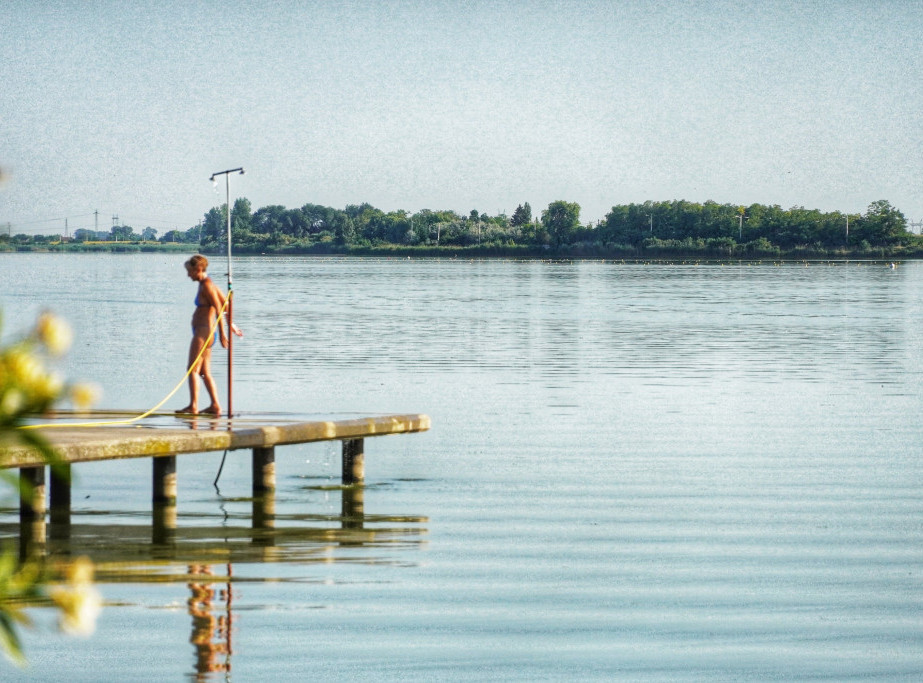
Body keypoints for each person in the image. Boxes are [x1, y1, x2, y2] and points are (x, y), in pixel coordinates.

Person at [177, 255, 242, 415]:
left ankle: (193, 406)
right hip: (205, 332)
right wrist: (231, 324)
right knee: (204, 372)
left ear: (198, 269)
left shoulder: (207, 285)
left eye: (190, 271)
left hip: (203, 332)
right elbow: (226, 303)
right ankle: (215, 405)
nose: (188, 275)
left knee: (192, 369)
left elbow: (219, 308)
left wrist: (223, 334)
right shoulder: (206, 284)